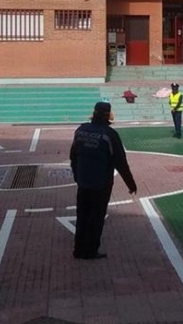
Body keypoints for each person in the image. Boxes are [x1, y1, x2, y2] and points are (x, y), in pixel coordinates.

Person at [69, 101, 137, 260]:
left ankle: (78, 249)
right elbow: (121, 162)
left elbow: (73, 156)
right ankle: (91, 250)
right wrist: (131, 183)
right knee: (96, 217)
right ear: (108, 116)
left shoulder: (81, 130)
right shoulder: (109, 135)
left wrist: (77, 175)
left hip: (83, 182)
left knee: (82, 214)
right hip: (101, 184)